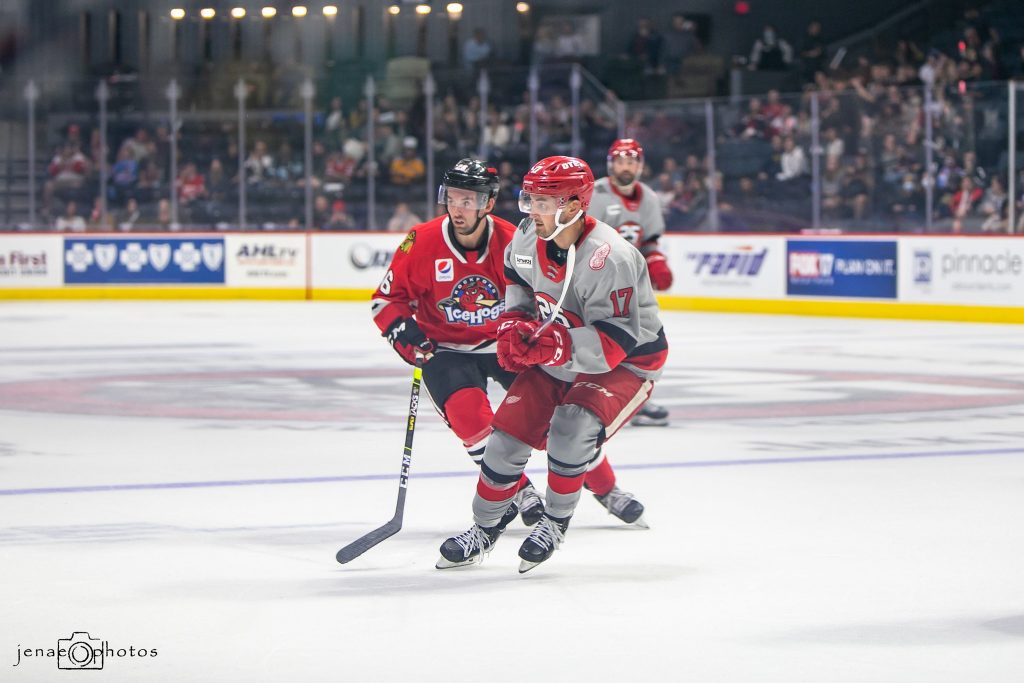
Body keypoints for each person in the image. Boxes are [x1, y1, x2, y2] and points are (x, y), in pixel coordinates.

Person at [437, 156, 668, 573]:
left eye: (544, 203)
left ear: (576, 206)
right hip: (562, 348)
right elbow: (518, 284)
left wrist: (552, 345)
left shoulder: (609, 257)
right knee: (506, 436)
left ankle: (554, 523)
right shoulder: (528, 237)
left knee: (572, 427)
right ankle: (484, 527)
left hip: (627, 361)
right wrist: (512, 322)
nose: (532, 212)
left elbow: (614, 343)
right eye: (531, 200)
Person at [371, 159, 547, 530]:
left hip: (503, 342)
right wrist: (410, 338)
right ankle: (519, 490)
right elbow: (386, 301)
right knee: (470, 418)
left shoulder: (514, 240)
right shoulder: (421, 241)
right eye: (452, 198)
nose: (458, 208)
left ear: (487, 203)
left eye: (468, 200)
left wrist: (534, 331)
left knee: (557, 413)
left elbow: (540, 294)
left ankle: (605, 486)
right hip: (445, 348)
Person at [587, 139, 673, 427]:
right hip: (594, 281)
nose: (627, 167)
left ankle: (635, 397)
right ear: (612, 164)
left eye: (632, 161)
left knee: (645, 337)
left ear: (640, 165)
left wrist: (657, 260)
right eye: (621, 161)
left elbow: (649, 241)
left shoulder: (648, 197)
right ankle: (579, 395)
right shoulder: (594, 193)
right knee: (595, 338)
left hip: (632, 283)